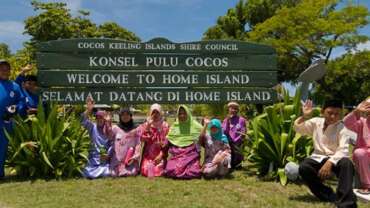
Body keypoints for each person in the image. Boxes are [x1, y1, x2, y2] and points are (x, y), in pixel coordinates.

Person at [295, 99, 357, 208]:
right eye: (329, 113)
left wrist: (330, 162)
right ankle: (329, 195)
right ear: (323, 112)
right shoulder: (315, 122)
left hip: (336, 159)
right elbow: (299, 129)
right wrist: (304, 116)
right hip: (317, 157)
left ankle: (347, 203)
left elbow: (343, 150)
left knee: (347, 164)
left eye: (337, 114)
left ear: (341, 114)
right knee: (304, 167)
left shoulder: (342, 128)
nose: (333, 116)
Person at [0, 60, 24, 179]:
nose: (4, 71)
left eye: (6, 69)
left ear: (10, 71)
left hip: (6, 122)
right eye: (1, 69)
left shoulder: (15, 86)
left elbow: (21, 101)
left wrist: (15, 108)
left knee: (2, 148)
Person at [165, 105, 202, 179]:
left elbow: (205, 134)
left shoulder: (195, 125)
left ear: (188, 114)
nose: (182, 116)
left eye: (184, 113)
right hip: (177, 154)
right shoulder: (174, 126)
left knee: (193, 171)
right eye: (180, 114)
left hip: (190, 153)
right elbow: (168, 139)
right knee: (171, 170)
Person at [81, 97, 113, 179]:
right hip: (93, 158)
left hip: (104, 159)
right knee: (88, 173)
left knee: (107, 173)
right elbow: (83, 120)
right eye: (97, 118)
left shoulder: (108, 128)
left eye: (101, 118)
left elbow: (112, 143)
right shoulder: (92, 126)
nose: (99, 120)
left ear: (104, 119)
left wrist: (108, 155)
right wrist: (89, 109)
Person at [343, 98, 370, 194]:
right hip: (364, 153)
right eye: (367, 106)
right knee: (359, 153)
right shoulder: (362, 121)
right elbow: (345, 124)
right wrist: (356, 112)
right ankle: (367, 185)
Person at [109, 108, 141, 177]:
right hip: (117, 159)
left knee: (132, 172)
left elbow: (138, 144)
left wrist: (134, 157)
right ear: (120, 117)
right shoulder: (115, 128)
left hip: (130, 160)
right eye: (123, 115)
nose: (125, 116)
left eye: (127, 114)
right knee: (113, 173)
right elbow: (109, 138)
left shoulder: (136, 129)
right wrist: (108, 123)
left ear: (131, 116)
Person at [140, 104, 169, 177]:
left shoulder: (165, 126)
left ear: (160, 113)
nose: (155, 115)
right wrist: (148, 127)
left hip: (160, 155)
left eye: (157, 112)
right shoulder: (146, 125)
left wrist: (161, 155)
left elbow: (167, 142)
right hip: (148, 156)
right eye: (153, 112)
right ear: (150, 113)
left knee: (159, 170)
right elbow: (143, 139)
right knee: (146, 170)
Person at [222, 101, 247, 169]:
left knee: (237, 161)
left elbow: (243, 132)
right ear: (229, 109)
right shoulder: (225, 120)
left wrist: (238, 140)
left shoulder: (242, 120)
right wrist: (228, 121)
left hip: (238, 142)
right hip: (228, 142)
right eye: (231, 108)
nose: (233, 110)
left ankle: (237, 164)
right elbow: (224, 132)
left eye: (235, 108)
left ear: (237, 110)